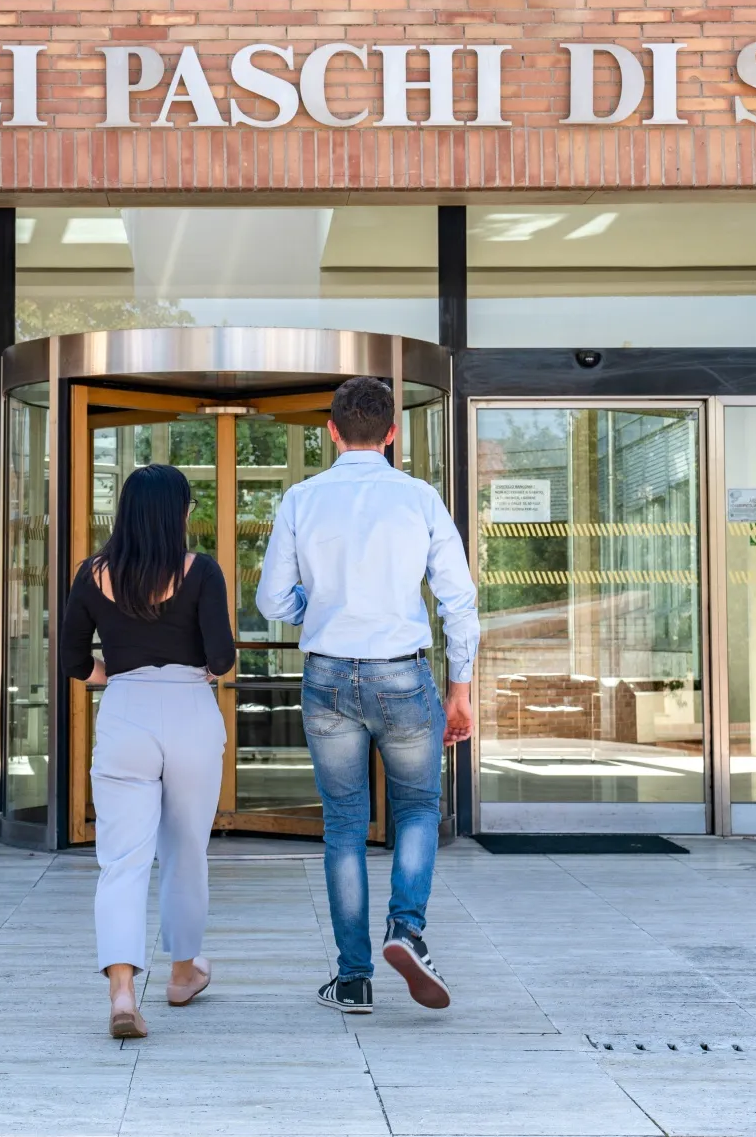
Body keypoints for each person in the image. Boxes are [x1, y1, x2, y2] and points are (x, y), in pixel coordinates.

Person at [256, 375, 478, 1015]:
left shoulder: (301, 498)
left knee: (344, 825)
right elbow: (458, 603)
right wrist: (459, 690)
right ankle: (405, 929)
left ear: (330, 431)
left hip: (327, 674)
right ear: (392, 434)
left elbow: (272, 599)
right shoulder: (419, 498)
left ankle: (353, 978)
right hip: (402, 673)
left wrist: (316, 607)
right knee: (415, 810)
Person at [61, 463, 236, 1040]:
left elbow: (72, 663)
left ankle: (121, 991)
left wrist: (116, 671)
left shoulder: (91, 575)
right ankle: (183, 974)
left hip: (125, 710)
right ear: (177, 514)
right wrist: (197, 668)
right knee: (186, 852)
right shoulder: (201, 571)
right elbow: (223, 657)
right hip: (189, 708)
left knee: (121, 860)